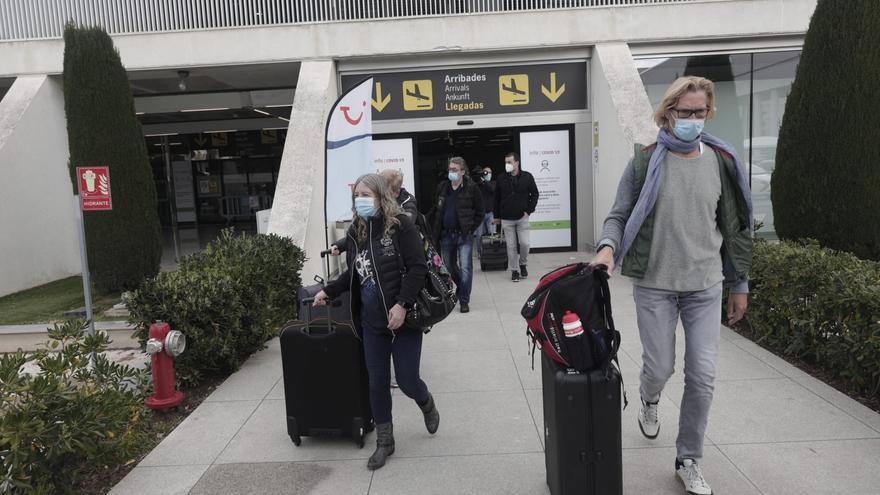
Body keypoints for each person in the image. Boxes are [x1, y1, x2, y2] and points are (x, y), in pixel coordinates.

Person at [590, 76, 753, 495]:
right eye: (685, 113)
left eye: (700, 113)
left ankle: (688, 458)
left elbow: (735, 229)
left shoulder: (721, 160)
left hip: (704, 286)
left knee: (702, 376)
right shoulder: (645, 161)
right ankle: (649, 397)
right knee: (660, 366)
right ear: (667, 114)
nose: (694, 120)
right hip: (656, 284)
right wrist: (608, 248)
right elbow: (619, 213)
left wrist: (740, 283)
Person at [314, 173, 440, 471]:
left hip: (404, 320)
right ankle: (385, 441)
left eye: (366, 194)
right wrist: (328, 290)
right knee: (377, 382)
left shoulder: (401, 226)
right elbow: (353, 275)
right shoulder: (357, 232)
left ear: (382, 197)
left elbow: (418, 268)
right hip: (372, 323)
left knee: (408, 381)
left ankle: (426, 401)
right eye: (357, 194)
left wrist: (401, 305)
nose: (361, 200)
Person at [429, 157, 484, 313]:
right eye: (450, 169)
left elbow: (480, 212)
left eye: (454, 170)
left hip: (464, 235)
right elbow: (437, 210)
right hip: (446, 235)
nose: (451, 172)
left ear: (462, 172)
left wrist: (470, 228)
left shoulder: (471, 188)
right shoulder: (443, 187)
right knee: (449, 267)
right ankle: (462, 286)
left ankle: (464, 300)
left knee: (466, 268)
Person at [493, 152, 539, 282]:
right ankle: (514, 270)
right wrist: (497, 216)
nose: (507, 165)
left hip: (522, 218)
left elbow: (535, 194)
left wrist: (529, 210)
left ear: (517, 163)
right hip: (506, 219)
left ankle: (523, 264)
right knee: (511, 246)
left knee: (525, 243)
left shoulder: (527, 177)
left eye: (509, 162)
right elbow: (496, 198)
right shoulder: (501, 178)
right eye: (506, 162)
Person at [473, 165, 496, 257]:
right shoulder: (478, 184)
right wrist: (480, 179)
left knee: (492, 234)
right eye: (485, 172)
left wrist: (484, 180)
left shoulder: (493, 183)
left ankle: (493, 251)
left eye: (489, 172)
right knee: (479, 234)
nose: (487, 174)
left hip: (490, 213)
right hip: (480, 214)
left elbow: (492, 189)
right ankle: (480, 252)